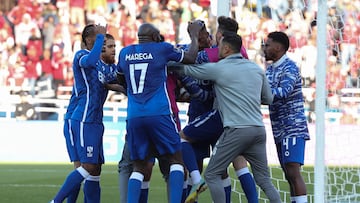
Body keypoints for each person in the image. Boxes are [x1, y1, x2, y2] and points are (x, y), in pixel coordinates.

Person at [170, 31, 281, 203]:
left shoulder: (220, 68)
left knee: (212, 174)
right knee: (264, 180)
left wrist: (169, 63)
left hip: (237, 129)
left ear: (227, 49)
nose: (217, 49)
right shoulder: (256, 69)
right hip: (258, 130)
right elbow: (268, 99)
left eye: (220, 46)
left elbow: (188, 70)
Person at [117, 22, 202, 203]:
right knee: (176, 160)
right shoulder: (161, 49)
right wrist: (194, 34)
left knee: (139, 166)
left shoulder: (124, 53)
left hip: (134, 115)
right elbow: (191, 57)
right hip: (159, 113)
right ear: (156, 37)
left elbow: (120, 78)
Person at [178, 16, 257, 203]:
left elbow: (188, 58)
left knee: (221, 164)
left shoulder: (216, 53)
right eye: (205, 33)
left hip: (217, 111)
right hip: (223, 112)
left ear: (220, 35)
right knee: (229, 163)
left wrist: (194, 38)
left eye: (209, 33)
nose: (209, 37)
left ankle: (198, 185)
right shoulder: (240, 51)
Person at [50, 24, 118, 203]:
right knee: (85, 166)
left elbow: (119, 82)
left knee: (94, 170)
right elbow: (90, 61)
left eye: (111, 45)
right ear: (89, 40)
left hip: (96, 122)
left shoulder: (106, 68)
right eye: (100, 40)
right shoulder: (82, 56)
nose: (104, 45)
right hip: (82, 119)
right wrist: (101, 38)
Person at [263, 31, 310, 203]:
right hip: (279, 128)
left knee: (292, 170)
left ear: (278, 47)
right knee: (288, 173)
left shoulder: (290, 67)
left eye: (267, 45)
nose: (264, 48)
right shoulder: (269, 70)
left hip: (293, 126)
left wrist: (257, 95)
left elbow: (283, 92)